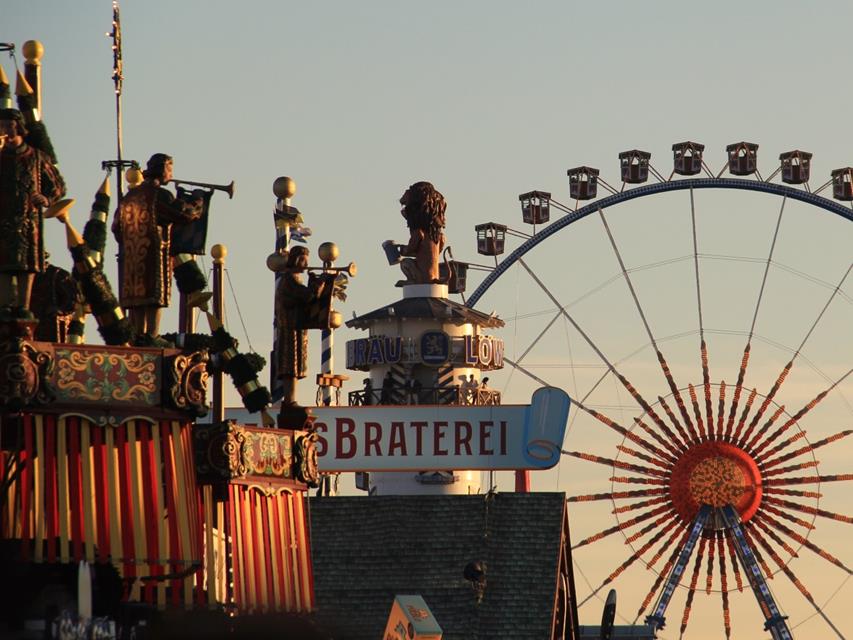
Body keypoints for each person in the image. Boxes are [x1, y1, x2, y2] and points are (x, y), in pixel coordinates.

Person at [112, 153, 203, 339]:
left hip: (132, 261)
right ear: (162, 170)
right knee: (154, 301)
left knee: (137, 303)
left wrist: (132, 241)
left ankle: (138, 336)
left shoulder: (129, 197)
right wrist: (197, 203)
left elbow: (116, 228)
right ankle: (152, 337)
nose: (171, 173)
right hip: (153, 256)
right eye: (169, 169)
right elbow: (183, 214)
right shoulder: (158, 195)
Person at [0, 108, 65, 318]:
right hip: (3, 219)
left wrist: (46, 199)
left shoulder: (36, 157)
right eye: (1, 126)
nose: (5, 130)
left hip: (28, 221)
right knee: (4, 264)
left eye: (8, 125)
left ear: (18, 126)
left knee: (27, 265)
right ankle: (5, 305)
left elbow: (57, 186)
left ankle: (23, 305)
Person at [274, 245, 325, 407]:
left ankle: (291, 400)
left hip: (295, 328)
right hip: (290, 329)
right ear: (296, 260)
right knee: (290, 368)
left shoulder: (294, 278)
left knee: (294, 369)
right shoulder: (289, 279)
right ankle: (289, 401)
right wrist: (319, 284)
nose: (306, 263)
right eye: (303, 259)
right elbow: (308, 296)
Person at [397, 181, 446, 284]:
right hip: (434, 275)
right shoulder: (438, 236)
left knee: (405, 263)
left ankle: (412, 280)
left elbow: (413, 247)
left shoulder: (418, 231)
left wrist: (402, 250)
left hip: (422, 277)